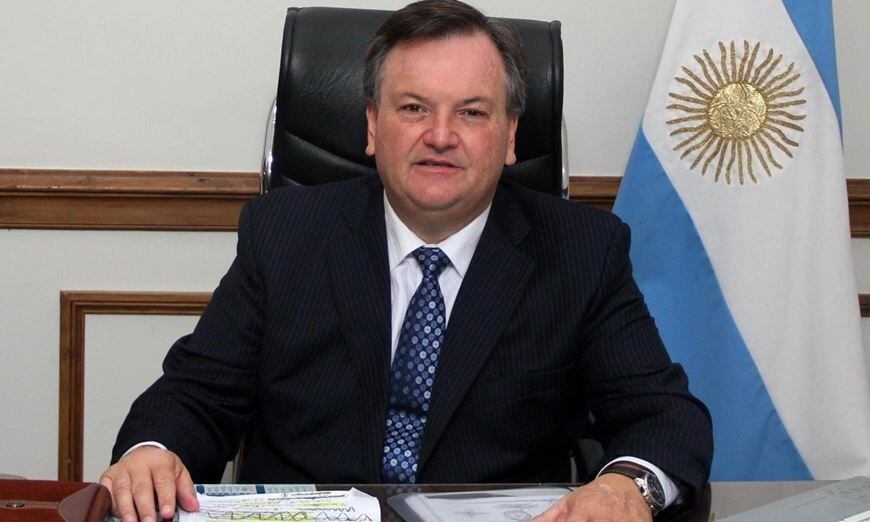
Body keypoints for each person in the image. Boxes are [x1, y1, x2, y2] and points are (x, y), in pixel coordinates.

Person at [101, 1, 713, 520]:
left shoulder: (581, 250)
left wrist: (626, 485)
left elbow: (664, 417)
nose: (440, 135)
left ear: (510, 135)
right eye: (414, 108)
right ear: (372, 126)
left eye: (471, 112)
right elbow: (194, 395)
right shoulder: (284, 233)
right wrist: (153, 452)